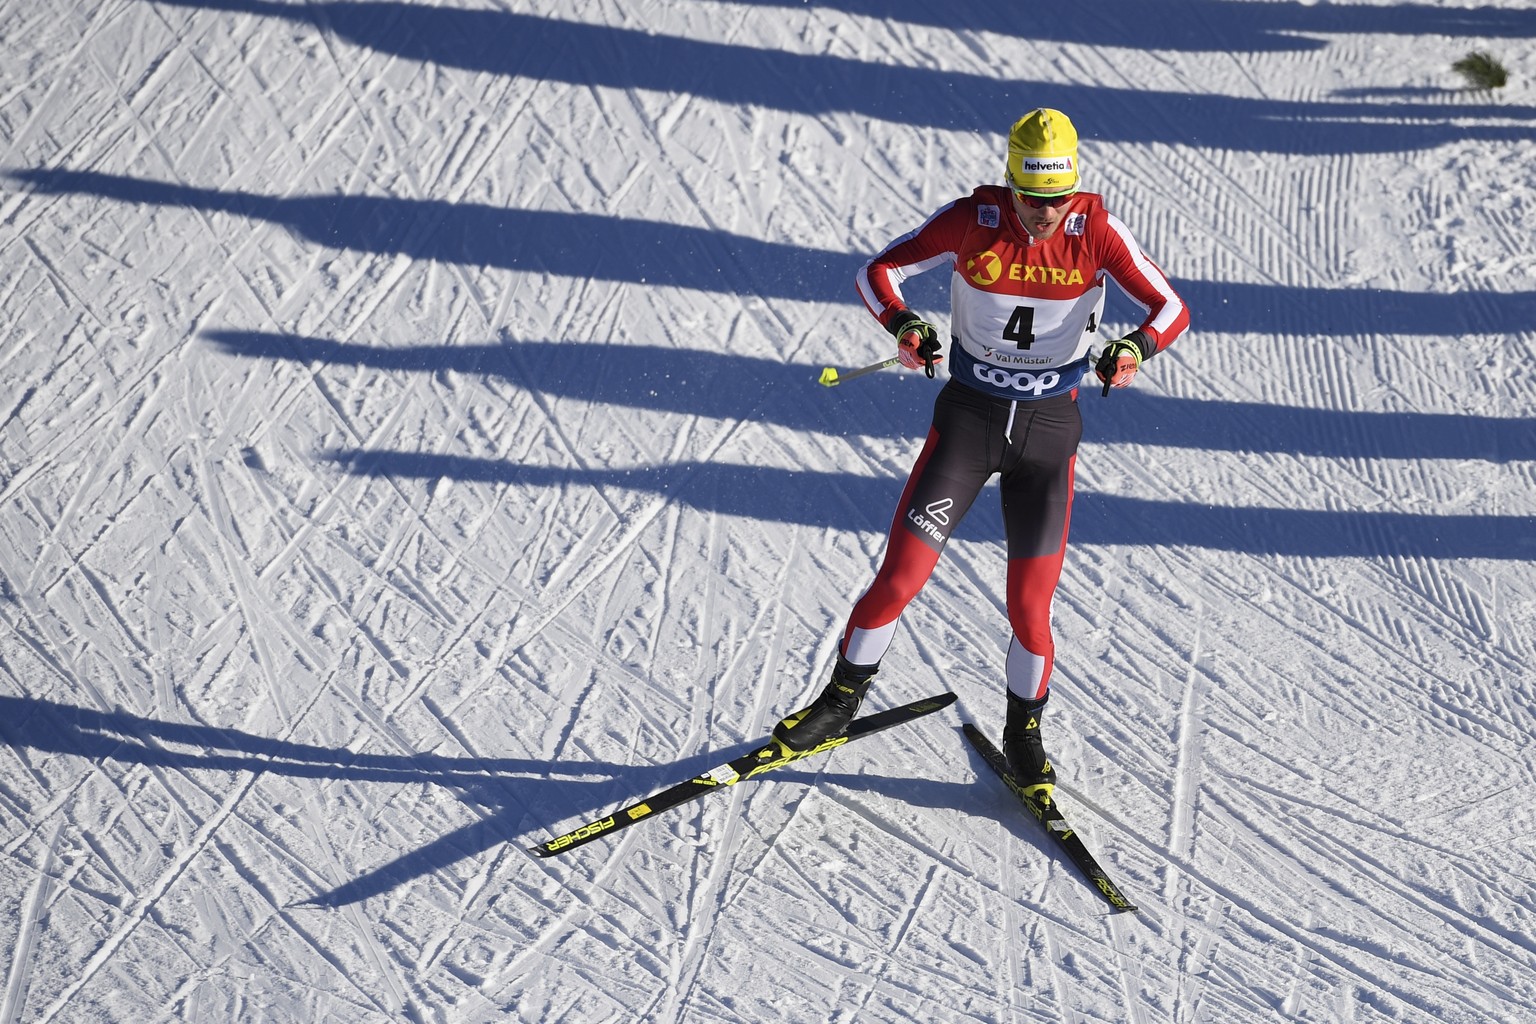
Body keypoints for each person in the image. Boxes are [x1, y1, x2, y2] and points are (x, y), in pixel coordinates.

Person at [773, 108, 1189, 801]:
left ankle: (1024, 738)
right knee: (900, 577)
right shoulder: (975, 220)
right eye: (1033, 199)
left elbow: (1171, 307)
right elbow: (878, 270)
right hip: (968, 423)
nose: (1045, 214)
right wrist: (904, 322)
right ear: (1012, 184)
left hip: (1048, 436)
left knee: (1030, 608)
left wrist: (1134, 348)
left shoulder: (1099, 232)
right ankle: (839, 703)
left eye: (1057, 200)